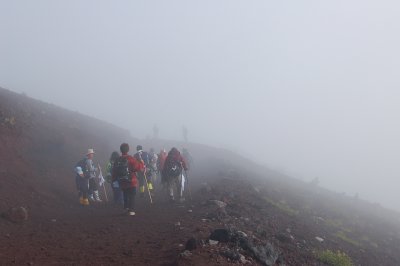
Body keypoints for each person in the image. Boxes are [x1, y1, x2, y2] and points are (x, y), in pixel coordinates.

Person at [112, 143, 144, 216]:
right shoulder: (131, 158)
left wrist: (114, 180)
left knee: (125, 194)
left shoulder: (117, 160)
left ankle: (126, 208)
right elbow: (137, 168)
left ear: (121, 150)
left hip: (122, 181)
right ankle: (131, 210)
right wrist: (141, 163)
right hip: (131, 180)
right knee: (132, 195)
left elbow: (114, 170)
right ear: (128, 149)